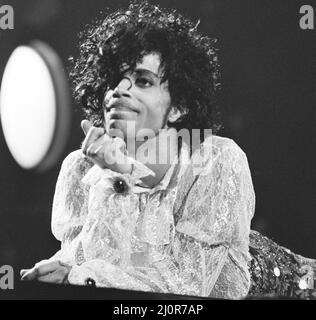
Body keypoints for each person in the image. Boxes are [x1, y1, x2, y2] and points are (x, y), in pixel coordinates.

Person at [20, 1, 315, 299]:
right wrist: (62, 268)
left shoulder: (216, 159)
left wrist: (124, 174)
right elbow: (92, 255)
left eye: (143, 80)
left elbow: (189, 285)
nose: (119, 90)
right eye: (113, 80)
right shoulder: (82, 169)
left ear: (179, 106)